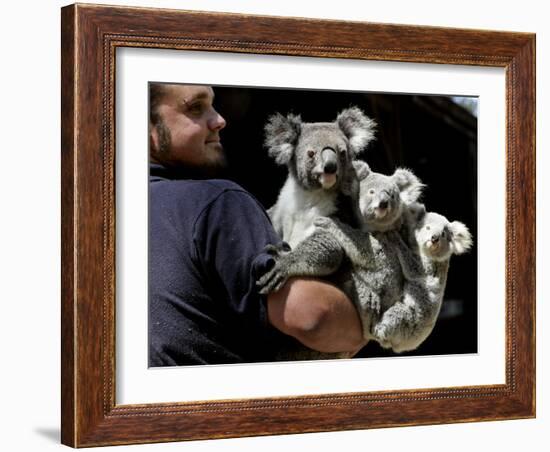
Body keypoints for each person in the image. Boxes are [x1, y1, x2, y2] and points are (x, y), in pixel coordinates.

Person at [148, 83, 365, 366]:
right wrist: (370, 317)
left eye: (213, 105)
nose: (219, 119)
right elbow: (314, 317)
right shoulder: (216, 202)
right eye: (195, 108)